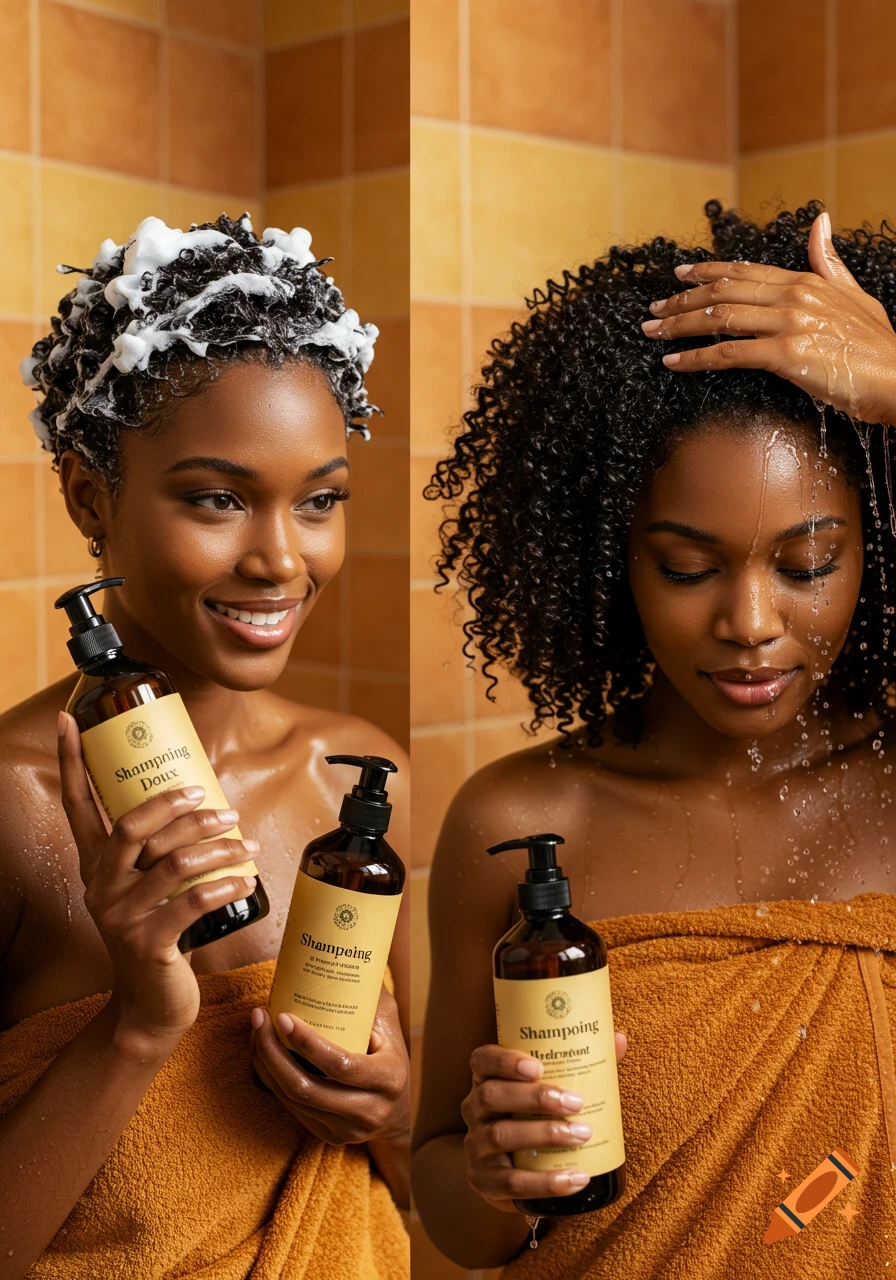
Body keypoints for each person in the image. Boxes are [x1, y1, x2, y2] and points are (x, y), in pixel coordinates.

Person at [412, 201, 896, 1275]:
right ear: (607, 560)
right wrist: (493, 1174)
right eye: (685, 566)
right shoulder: (523, 823)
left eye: (809, 562)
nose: (749, 622)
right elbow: (448, 1203)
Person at [0, 214, 409, 1279]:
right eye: (218, 499)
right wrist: (138, 1024)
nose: (280, 560)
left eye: (319, 501)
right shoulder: (10, 807)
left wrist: (398, 1110)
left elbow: (437, 1190)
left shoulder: (355, 780)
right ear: (90, 497)